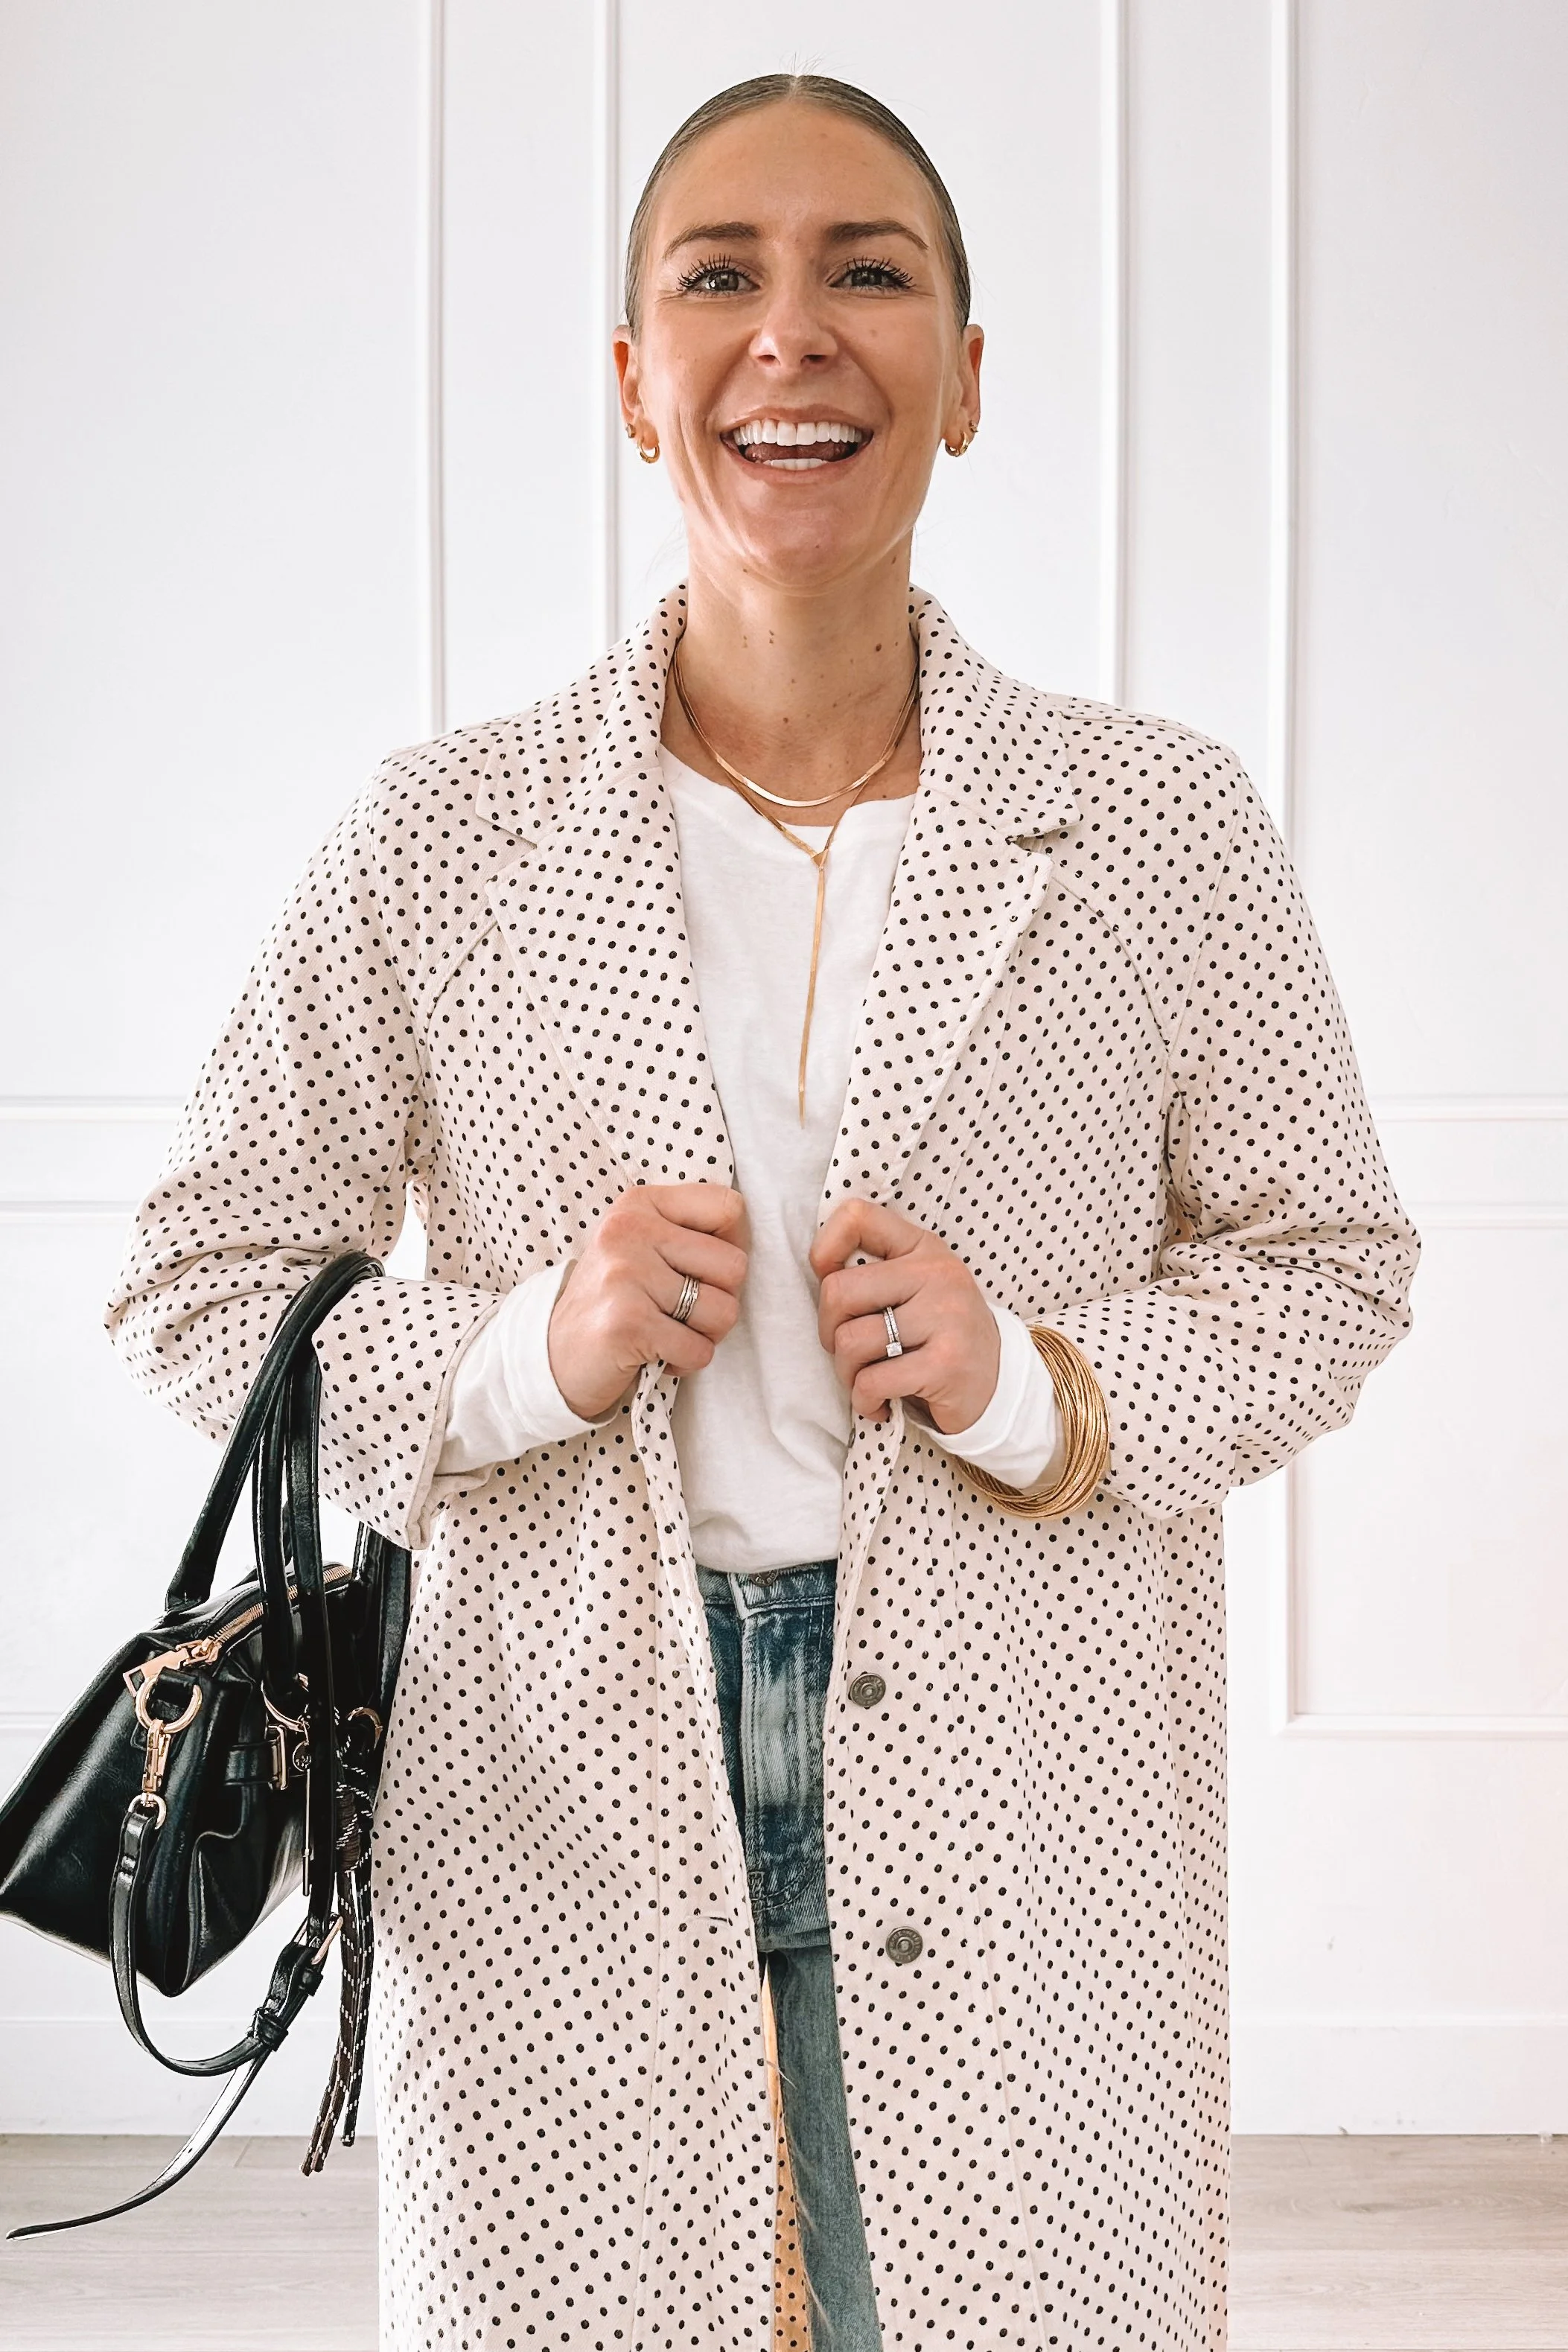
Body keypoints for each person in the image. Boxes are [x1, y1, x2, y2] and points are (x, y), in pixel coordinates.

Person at [107, 72, 1418, 2352]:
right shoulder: (443, 838)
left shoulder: (1155, 826)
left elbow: (1332, 1262)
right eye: (719, 277)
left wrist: (1041, 1375)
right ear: (635, 383)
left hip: (1030, 1762)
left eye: (870, 274)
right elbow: (193, 1281)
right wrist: (521, 1343)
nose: (791, 334)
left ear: (973, 379)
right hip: (554, 1774)